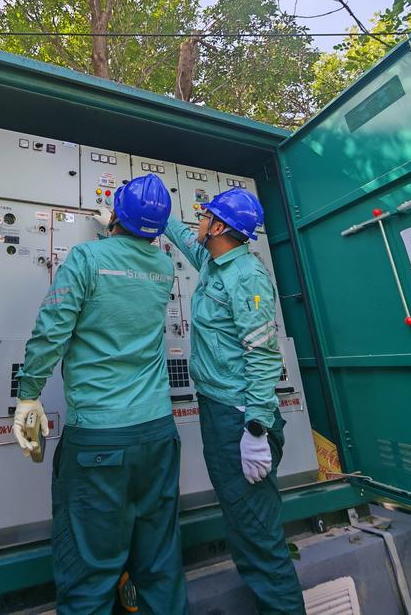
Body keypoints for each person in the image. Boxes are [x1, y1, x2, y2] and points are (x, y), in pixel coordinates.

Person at [13, 173, 187, 615]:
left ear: (116, 216)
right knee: (160, 567)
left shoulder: (85, 258)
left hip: (98, 443)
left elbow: (50, 333)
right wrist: (122, 226)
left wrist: (28, 393)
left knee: (89, 577)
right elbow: (131, 266)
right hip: (157, 435)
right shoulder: (164, 267)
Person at [165, 188, 305, 615]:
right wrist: (150, 210)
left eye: (204, 215)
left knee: (258, 537)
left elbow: (263, 355)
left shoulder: (247, 277)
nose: (199, 220)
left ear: (219, 226)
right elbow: (186, 240)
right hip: (218, 410)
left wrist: (256, 430)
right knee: (245, 526)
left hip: (239, 418)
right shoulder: (215, 260)